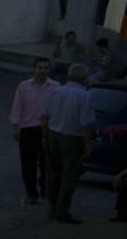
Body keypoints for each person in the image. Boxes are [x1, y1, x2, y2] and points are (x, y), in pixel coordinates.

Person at [40, 63, 96, 224]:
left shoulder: (56, 92)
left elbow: (44, 116)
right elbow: (85, 124)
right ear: (84, 78)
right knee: (70, 175)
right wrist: (88, 143)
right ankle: (61, 210)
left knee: (54, 173)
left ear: (69, 76)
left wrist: (45, 135)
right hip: (72, 137)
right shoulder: (84, 96)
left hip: (54, 135)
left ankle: (53, 206)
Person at [9, 57, 60, 205]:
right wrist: (15, 127)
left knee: (47, 162)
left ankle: (45, 187)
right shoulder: (24, 87)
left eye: (45, 68)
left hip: (47, 131)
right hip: (28, 129)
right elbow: (17, 107)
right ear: (34, 69)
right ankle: (31, 193)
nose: (42, 71)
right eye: (40, 68)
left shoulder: (55, 87)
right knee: (28, 164)